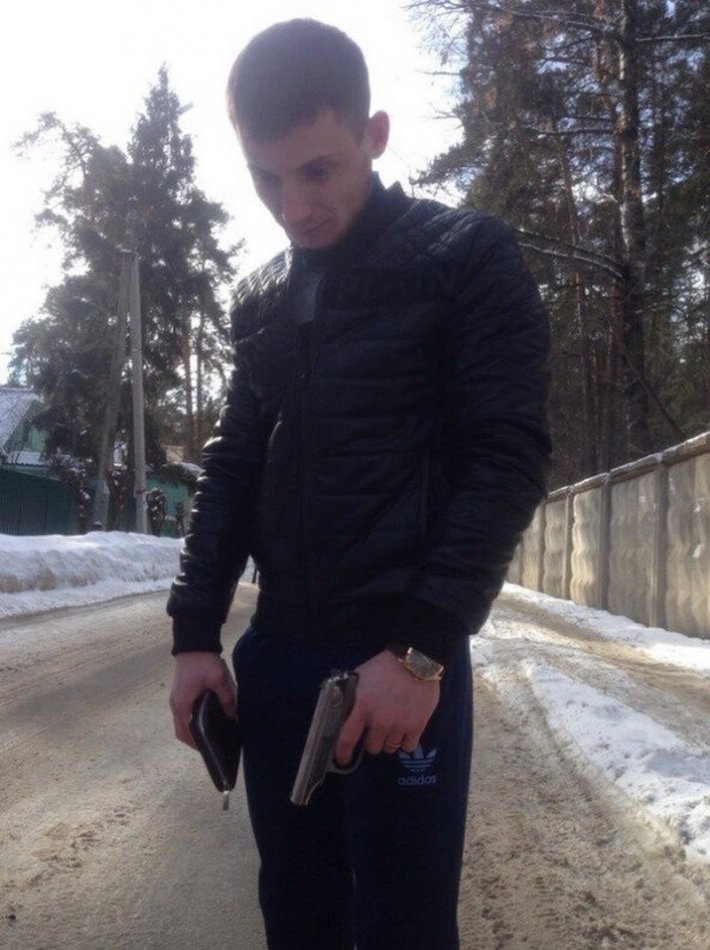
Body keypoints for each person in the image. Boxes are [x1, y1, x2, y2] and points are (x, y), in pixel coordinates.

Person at [168, 18, 550, 950]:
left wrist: (420, 651)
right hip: (280, 660)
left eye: (317, 170)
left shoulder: (464, 257)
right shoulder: (260, 297)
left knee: (403, 927)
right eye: (266, 179)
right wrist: (195, 635)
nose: (293, 207)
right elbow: (233, 465)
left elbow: (506, 457)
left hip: (397, 665)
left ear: (373, 136)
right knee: (296, 916)